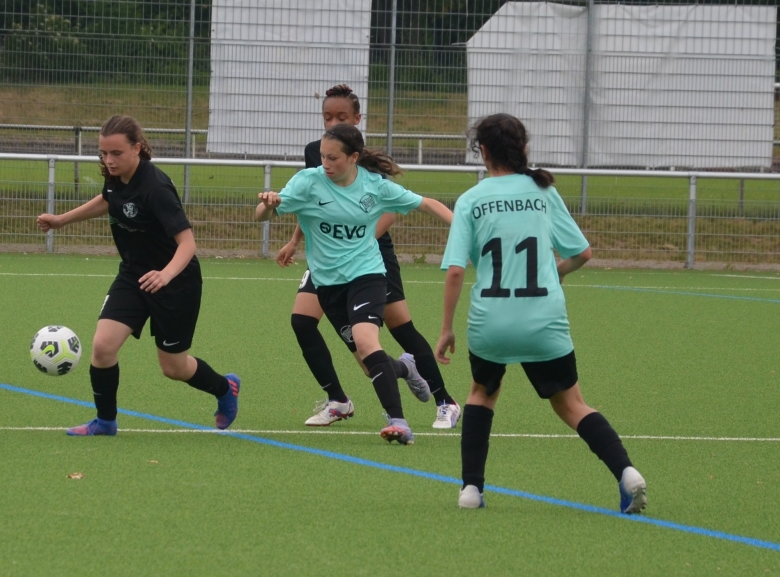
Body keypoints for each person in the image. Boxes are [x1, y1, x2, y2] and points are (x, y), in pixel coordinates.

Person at [435, 113, 646, 513]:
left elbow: (457, 271)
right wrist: (557, 273)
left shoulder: (471, 200)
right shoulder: (543, 192)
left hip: (492, 322)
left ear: (482, 151)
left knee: (481, 394)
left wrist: (446, 328)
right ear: (524, 149)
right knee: (572, 404)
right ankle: (626, 472)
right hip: (543, 320)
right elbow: (582, 253)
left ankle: (471, 490)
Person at [36, 115, 240, 436]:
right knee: (103, 347)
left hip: (176, 282)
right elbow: (108, 200)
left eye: (116, 153)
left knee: (173, 367)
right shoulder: (115, 176)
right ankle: (105, 422)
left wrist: (166, 275)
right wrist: (62, 220)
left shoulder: (156, 188)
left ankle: (225, 388)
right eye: (104, 153)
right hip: (133, 275)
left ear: (137, 148)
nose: (109, 160)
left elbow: (188, 243)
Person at [277, 85, 462, 430]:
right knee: (303, 321)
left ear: (358, 119)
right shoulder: (318, 153)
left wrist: (354, 245)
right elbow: (313, 203)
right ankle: (338, 399)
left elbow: (390, 210)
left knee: (400, 330)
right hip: (331, 258)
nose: (333, 123)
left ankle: (444, 400)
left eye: (341, 117)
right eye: (327, 117)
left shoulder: (364, 163)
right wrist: (295, 240)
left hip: (369, 256)